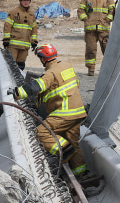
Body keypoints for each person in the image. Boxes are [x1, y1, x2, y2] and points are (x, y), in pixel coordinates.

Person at [12, 44, 89, 177]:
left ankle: (64, 150)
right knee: (73, 142)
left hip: (64, 114)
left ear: (43, 58)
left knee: (41, 133)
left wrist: (17, 92)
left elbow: (36, 86)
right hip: (78, 112)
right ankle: (81, 174)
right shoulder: (66, 65)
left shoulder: (50, 73)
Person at [77, 0, 115, 76]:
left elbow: (113, 10)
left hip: (104, 29)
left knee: (107, 50)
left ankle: (109, 70)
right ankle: (91, 69)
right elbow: (80, 10)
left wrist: (108, 19)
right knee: (90, 50)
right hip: (90, 30)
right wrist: (86, 19)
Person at [3, 0, 38, 71]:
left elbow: (34, 30)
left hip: (25, 46)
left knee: (21, 66)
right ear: (20, 1)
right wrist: (6, 39)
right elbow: (7, 26)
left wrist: (34, 41)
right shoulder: (14, 12)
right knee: (11, 65)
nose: (26, 2)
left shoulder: (31, 15)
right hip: (13, 45)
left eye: (28, 0)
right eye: (24, 0)